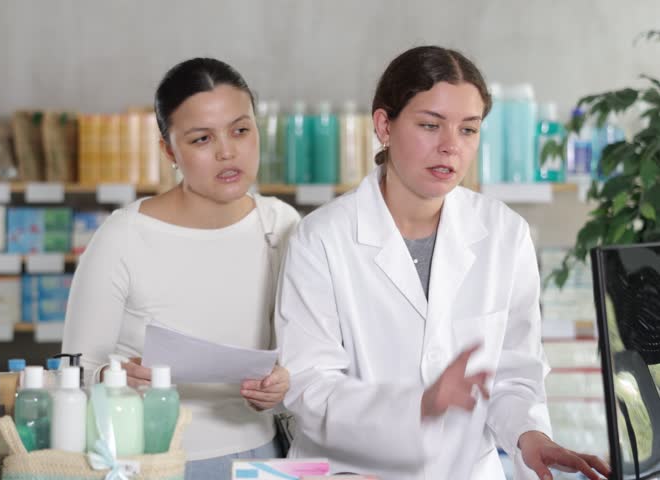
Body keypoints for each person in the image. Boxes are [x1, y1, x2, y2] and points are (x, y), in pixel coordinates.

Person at [274, 46, 611, 480]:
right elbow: (309, 386)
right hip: (353, 472)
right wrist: (419, 405)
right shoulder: (320, 239)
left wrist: (530, 435)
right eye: (430, 125)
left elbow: (513, 372)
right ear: (384, 126)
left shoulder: (505, 234)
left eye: (468, 130)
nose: (451, 147)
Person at [62, 57, 300, 479]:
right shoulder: (123, 236)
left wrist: (285, 382)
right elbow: (74, 367)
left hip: (259, 458)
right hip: (149, 462)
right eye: (202, 139)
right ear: (169, 150)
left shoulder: (280, 226)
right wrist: (113, 376)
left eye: (240, 130)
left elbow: (307, 352)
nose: (227, 151)